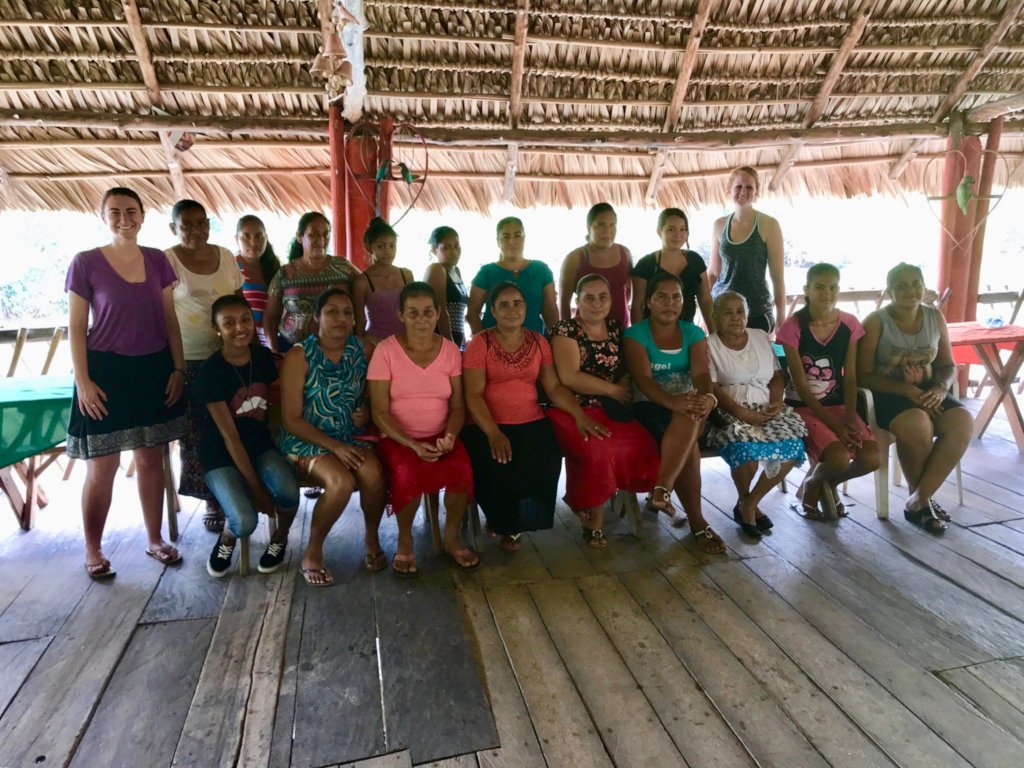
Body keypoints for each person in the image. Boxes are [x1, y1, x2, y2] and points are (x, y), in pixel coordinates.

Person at [65, 187, 187, 578]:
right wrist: (83, 381)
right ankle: (93, 548)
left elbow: (170, 319)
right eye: (115, 211)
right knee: (103, 465)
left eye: (131, 210)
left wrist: (178, 369)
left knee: (152, 459)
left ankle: (155, 539)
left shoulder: (157, 261)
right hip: (105, 373)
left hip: (154, 369)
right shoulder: (85, 263)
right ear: (103, 216)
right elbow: (75, 327)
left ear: (142, 215)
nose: (124, 217)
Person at [462, 282, 608, 550]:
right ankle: (501, 521)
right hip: (488, 424)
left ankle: (518, 524)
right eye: (503, 305)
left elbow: (553, 387)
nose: (511, 310)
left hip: (532, 419)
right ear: (492, 310)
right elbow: (473, 394)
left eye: (517, 303)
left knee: (546, 458)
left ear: (525, 308)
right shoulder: (479, 344)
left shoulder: (539, 341)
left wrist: (578, 414)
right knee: (496, 464)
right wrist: (493, 432)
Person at [367, 282, 478, 575]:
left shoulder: (452, 351)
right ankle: (405, 540)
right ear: (400, 315)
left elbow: (457, 406)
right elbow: (379, 412)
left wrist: (450, 435)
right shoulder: (385, 351)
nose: (422, 319)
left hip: (442, 435)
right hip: (397, 438)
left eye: (428, 312)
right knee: (408, 472)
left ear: (438, 313)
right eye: (413, 313)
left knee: (461, 471)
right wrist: (412, 444)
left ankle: (452, 537)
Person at [278, 288, 387, 585]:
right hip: (306, 441)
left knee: (375, 475)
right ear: (317, 317)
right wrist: (334, 446)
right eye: (332, 312)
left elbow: (374, 389)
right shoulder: (300, 356)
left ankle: (371, 538)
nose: (341, 318)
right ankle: (313, 551)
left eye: (348, 312)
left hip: (350, 437)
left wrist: (364, 408)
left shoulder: (363, 349)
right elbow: (290, 419)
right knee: (341, 482)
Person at [857, 263, 972, 533]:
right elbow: (862, 375)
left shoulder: (935, 318)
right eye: (902, 285)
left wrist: (942, 386)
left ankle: (919, 499)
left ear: (924, 286)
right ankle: (922, 502)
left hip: (928, 390)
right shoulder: (876, 321)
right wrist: (908, 391)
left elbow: (948, 365)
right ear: (890, 291)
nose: (910, 290)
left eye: (916, 283)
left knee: (962, 421)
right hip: (885, 394)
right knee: (917, 422)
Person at [550, 274, 659, 546]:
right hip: (571, 406)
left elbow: (624, 366)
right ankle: (592, 516)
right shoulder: (565, 330)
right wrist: (612, 390)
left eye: (603, 297)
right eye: (589, 298)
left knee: (645, 443)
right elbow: (569, 376)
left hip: (611, 408)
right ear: (577, 300)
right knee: (597, 449)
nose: (597, 303)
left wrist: (622, 384)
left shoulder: (616, 328)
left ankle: (603, 499)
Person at [193, 295, 299, 576]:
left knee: (289, 492)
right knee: (244, 522)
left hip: (259, 445)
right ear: (216, 328)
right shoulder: (210, 372)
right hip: (219, 454)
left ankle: (280, 538)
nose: (239, 328)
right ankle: (228, 536)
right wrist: (256, 489)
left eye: (244, 320)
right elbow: (230, 438)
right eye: (229, 323)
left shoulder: (263, 358)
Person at [624, 272, 726, 554]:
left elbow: (702, 373)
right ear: (649, 302)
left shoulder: (693, 332)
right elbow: (643, 381)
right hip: (651, 405)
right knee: (689, 444)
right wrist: (674, 402)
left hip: (691, 404)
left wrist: (707, 397)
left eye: (676, 297)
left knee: (692, 410)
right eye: (662, 297)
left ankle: (662, 490)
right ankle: (696, 520)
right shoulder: (635, 334)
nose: (670, 303)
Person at [165, 199, 244, 533]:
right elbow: (161, 313)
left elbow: (239, 301)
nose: (196, 230)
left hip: (228, 355)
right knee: (197, 432)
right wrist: (175, 366)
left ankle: (236, 488)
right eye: (187, 224)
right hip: (190, 358)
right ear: (174, 228)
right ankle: (211, 498)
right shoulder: (166, 261)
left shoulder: (225, 255)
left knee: (236, 425)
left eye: (201, 223)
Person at [778, 263, 880, 519]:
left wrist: (848, 419)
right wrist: (836, 428)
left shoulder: (849, 324)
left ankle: (821, 483)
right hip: (803, 406)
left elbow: (850, 377)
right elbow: (800, 386)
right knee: (838, 457)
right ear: (806, 290)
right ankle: (814, 486)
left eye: (833, 287)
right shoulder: (793, 328)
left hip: (840, 406)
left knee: (872, 458)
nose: (827, 293)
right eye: (819, 287)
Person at [706, 292, 806, 537]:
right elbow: (711, 386)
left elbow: (777, 375)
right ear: (715, 317)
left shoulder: (761, 336)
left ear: (747, 314)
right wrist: (741, 412)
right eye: (727, 312)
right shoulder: (708, 345)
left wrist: (776, 402)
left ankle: (749, 504)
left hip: (765, 408)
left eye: (740, 311)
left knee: (793, 447)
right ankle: (746, 503)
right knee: (746, 454)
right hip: (729, 410)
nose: (735, 318)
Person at [264, 211, 360, 354]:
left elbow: (363, 297)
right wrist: (274, 350)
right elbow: (270, 316)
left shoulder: (343, 267)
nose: (321, 239)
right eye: (313, 233)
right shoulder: (285, 273)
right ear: (299, 236)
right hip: (292, 350)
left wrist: (357, 341)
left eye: (325, 234)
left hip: (339, 349)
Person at [709, 167, 786, 333]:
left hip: (757, 311)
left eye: (749, 187)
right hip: (723, 311)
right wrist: (704, 310)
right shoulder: (719, 225)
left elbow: (777, 277)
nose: (743, 191)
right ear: (729, 190)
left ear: (756, 192)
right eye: (738, 186)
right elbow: (714, 273)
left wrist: (781, 319)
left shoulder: (769, 225)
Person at [467, 217, 557, 335]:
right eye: (506, 237)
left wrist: (556, 339)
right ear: (497, 241)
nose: (512, 241)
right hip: (494, 345)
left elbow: (550, 311)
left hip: (535, 344)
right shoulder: (486, 273)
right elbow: (472, 313)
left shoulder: (541, 270)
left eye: (517, 235)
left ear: (524, 238)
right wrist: (483, 343)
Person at [631, 207, 714, 331]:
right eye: (671, 229)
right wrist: (638, 337)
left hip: (687, 333)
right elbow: (637, 305)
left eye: (683, 229)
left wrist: (714, 333)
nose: (678, 235)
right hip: (653, 333)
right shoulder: (646, 264)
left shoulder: (695, 261)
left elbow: (705, 300)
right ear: (659, 231)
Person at [558, 203, 633, 326]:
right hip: (585, 332)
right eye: (601, 225)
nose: (607, 231)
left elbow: (628, 292)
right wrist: (565, 333)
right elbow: (564, 303)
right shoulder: (575, 258)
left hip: (621, 329)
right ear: (589, 227)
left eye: (612, 225)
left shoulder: (625, 253)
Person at [353, 217, 413, 342]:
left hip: (405, 342)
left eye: (392, 246)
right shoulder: (362, 282)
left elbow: (414, 312)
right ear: (368, 247)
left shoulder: (406, 275)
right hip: (375, 343)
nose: (388, 251)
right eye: (381, 246)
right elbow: (359, 322)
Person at [234, 215, 281, 348]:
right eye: (246, 236)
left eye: (259, 236)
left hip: (275, 344)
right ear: (236, 239)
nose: (253, 242)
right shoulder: (232, 268)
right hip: (245, 344)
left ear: (266, 237)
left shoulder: (275, 269)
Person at [423, 225, 468, 347]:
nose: (454, 251)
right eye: (446, 247)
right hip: (439, 340)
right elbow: (440, 311)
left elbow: (458, 314)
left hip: (456, 339)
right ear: (434, 249)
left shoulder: (456, 271)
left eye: (456, 246)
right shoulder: (437, 270)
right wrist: (449, 345)